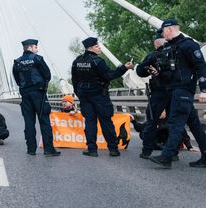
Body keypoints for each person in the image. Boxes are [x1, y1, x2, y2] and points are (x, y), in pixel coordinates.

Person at [148, 19, 206, 168]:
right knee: (195, 125)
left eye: (163, 31)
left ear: (169, 29)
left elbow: (201, 67)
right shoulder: (169, 47)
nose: (161, 34)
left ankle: (166, 157)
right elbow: (168, 71)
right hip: (173, 91)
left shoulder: (188, 45)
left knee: (175, 123)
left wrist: (204, 90)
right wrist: (158, 74)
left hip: (184, 90)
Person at [71, 37, 133, 157]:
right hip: (99, 95)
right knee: (106, 122)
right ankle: (113, 149)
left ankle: (92, 149)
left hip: (84, 95)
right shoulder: (97, 61)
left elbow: (75, 80)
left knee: (90, 122)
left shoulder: (77, 61)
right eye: (96, 46)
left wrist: (79, 93)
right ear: (90, 48)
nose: (99, 48)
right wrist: (124, 68)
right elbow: (109, 75)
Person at [13, 39, 60, 156]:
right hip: (39, 94)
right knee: (44, 121)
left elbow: (17, 80)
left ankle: (31, 149)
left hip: (25, 95)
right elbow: (47, 75)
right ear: (30, 48)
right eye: (35, 47)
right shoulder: (37, 59)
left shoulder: (17, 62)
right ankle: (49, 150)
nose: (37, 49)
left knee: (29, 122)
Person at [136, 29, 172, 158]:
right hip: (175, 92)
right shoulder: (176, 52)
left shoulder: (153, 55)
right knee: (174, 122)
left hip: (159, 93)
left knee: (151, 122)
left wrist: (148, 69)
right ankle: (172, 152)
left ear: (155, 43)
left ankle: (146, 151)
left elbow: (140, 71)